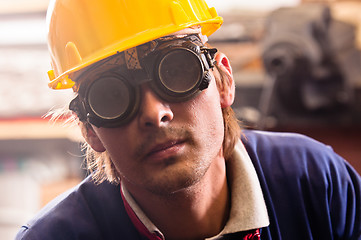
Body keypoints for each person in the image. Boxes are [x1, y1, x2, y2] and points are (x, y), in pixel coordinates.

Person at [16, 0, 361, 239]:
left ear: (224, 81)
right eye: (111, 96)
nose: (154, 113)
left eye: (177, 71)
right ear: (89, 129)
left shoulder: (316, 183)